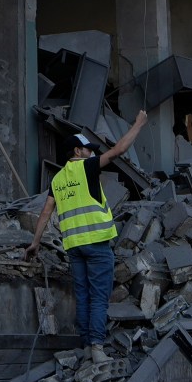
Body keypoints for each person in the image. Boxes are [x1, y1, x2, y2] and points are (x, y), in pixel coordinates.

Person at [42, 109, 149, 350]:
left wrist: (35, 243)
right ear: (78, 152)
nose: (91, 152)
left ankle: (85, 343)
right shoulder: (88, 166)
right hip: (97, 245)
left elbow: (46, 212)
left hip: (74, 248)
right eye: (87, 149)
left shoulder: (57, 179)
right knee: (99, 298)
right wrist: (138, 124)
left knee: (83, 297)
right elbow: (119, 150)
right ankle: (97, 348)